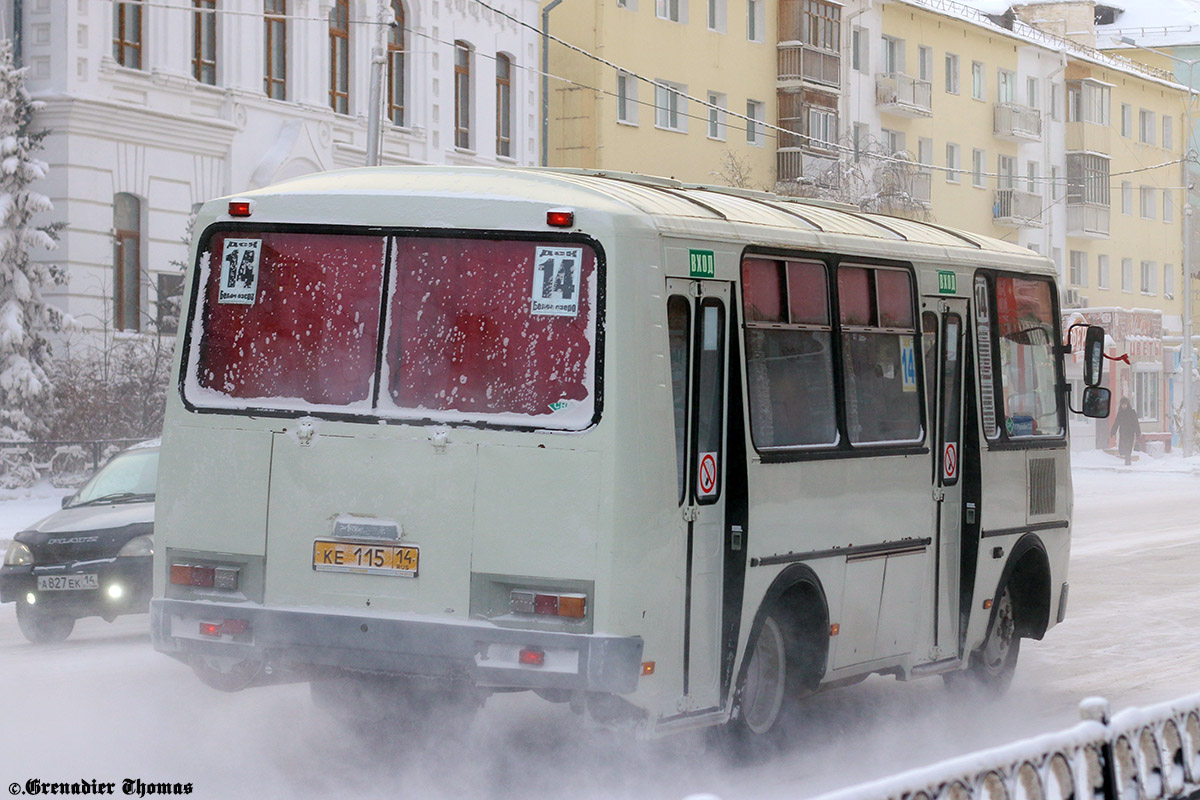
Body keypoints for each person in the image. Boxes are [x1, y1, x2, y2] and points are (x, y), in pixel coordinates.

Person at [1109, 397, 1141, 466]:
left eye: (1125, 404)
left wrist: (1138, 432)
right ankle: (1127, 457)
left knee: (1128, 446)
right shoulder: (1120, 413)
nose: (1124, 406)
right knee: (1123, 446)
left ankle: (1128, 459)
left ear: (1127, 404)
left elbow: (1136, 423)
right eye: (1122, 404)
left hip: (1130, 432)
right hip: (1123, 432)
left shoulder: (1132, 412)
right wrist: (1113, 432)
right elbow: (1116, 423)